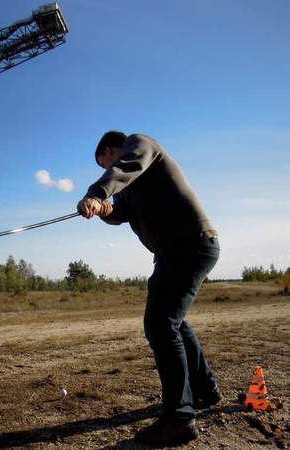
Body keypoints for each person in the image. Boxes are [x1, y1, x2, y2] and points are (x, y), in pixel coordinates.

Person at [77, 131, 221, 447]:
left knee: (159, 325)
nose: (105, 169)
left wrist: (98, 190)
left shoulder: (139, 145)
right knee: (173, 322)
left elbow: (124, 168)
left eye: (104, 163)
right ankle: (205, 390)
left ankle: (179, 420)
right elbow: (121, 211)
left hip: (188, 244)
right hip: (178, 249)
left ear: (111, 150)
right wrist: (104, 209)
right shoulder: (131, 185)